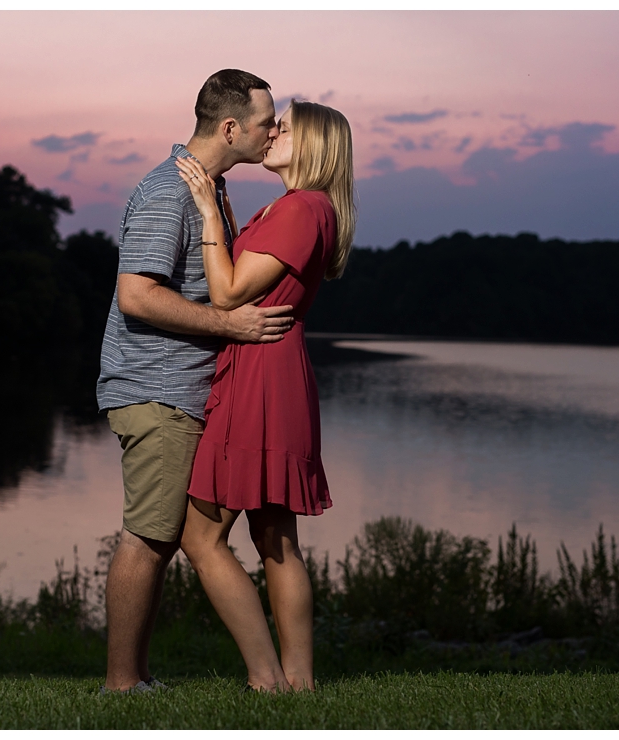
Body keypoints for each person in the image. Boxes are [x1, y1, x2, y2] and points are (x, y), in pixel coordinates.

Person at [96, 69, 296, 694]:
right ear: (231, 126)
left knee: (166, 534)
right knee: (148, 535)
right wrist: (227, 324)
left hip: (184, 389)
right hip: (155, 389)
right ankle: (123, 686)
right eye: (266, 121)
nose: (274, 131)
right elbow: (135, 296)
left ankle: (136, 680)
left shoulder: (208, 188)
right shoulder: (168, 191)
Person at [174, 99, 355, 693]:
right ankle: (298, 685)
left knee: (200, 537)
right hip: (273, 370)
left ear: (317, 146)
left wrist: (205, 209)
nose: (273, 131)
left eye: (286, 127)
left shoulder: (302, 209)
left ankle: (267, 679)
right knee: (275, 538)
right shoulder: (302, 206)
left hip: (261, 377)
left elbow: (225, 295)